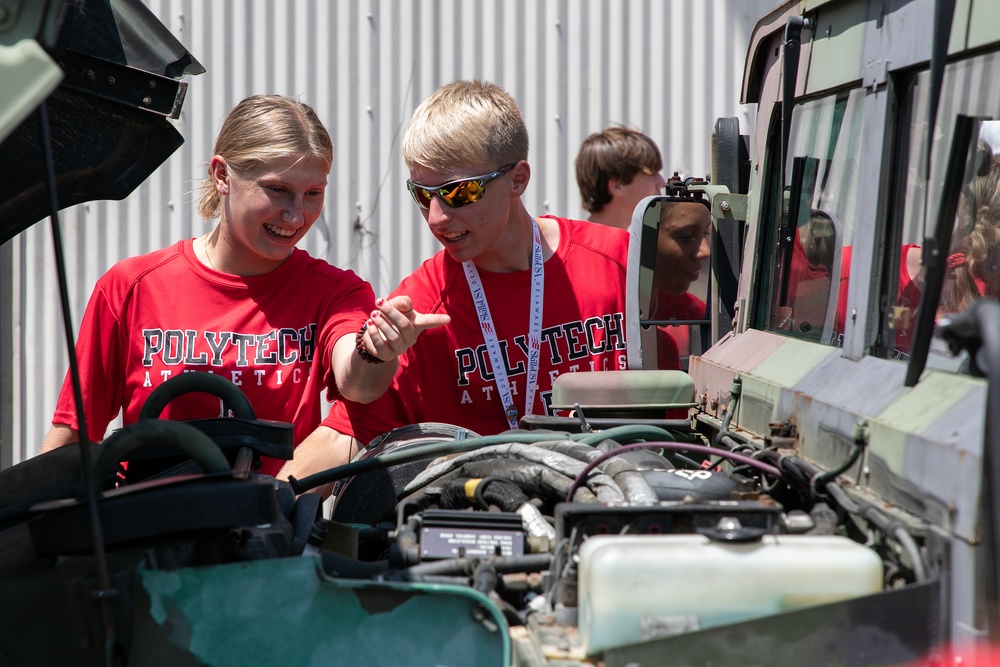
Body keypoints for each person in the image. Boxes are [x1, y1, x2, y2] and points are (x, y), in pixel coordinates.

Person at [40, 94, 447, 476]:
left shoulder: (334, 292)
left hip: (267, 537)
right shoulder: (131, 286)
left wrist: (375, 350)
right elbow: (75, 433)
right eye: (277, 190)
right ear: (222, 175)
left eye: (312, 194)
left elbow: (356, 384)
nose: (295, 215)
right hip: (145, 534)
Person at [278, 80, 630, 486]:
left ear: (518, 180)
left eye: (459, 192)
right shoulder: (420, 308)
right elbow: (349, 435)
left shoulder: (618, 261)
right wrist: (264, 511)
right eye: (422, 194)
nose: (436, 218)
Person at [648, 196, 712, 370]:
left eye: (707, 233)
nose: (706, 251)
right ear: (647, 237)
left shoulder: (700, 314)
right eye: (686, 236)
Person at [575, 127, 666, 229]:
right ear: (617, 185)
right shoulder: (576, 243)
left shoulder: (629, 242)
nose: (662, 183)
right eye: (652, 174)